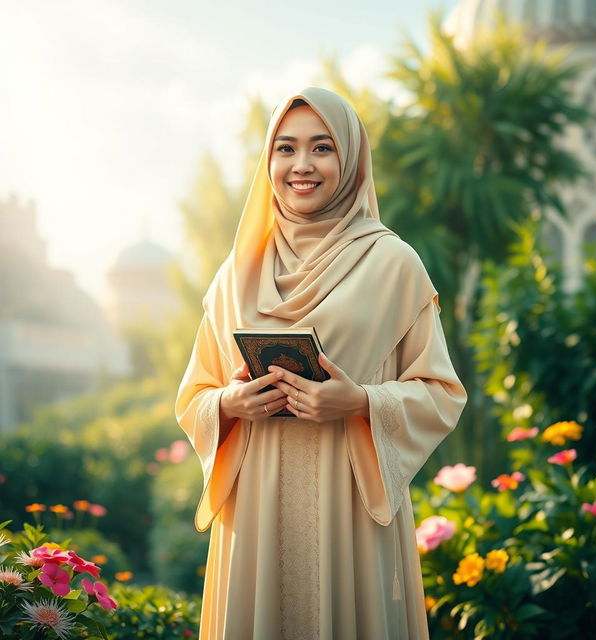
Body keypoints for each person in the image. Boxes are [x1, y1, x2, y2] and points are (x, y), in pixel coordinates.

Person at [174, 86, 467, 640]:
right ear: (269, 161)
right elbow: (195, 397)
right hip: (255, 508)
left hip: (348, 508)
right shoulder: (234, 274)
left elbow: (441, 390)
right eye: (285, 149)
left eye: (322, 147)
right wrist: (229, 403)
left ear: (351, 158)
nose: (301, 165)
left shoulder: (393, 263)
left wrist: (361, 401)